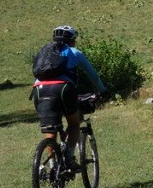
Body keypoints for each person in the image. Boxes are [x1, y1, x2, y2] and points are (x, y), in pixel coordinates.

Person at [31, 25, 107, 171]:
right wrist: (103, 90)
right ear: (72, 40)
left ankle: (53, 166)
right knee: (73, 123)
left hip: (39, 90)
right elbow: (93, 75)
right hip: (63, 88)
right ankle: (69, 158)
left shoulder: (45, 53)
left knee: (50, 130)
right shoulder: (74, 52)